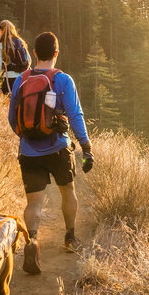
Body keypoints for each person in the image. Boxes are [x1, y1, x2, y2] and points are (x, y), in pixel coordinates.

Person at [8, 31, 93, 274]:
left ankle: (33, 240)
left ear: (34, 53)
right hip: (58, 148)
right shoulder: (63, 80)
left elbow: (13, 119)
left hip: (29, 152)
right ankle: (70, 238)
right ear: (56, 53)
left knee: (33, 201)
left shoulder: (21, 80)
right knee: (68, 191)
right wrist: (86, 147)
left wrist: (28, 135)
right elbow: (75, 115)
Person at [0, 20, 31, 94]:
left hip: (9, 79)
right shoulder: (20, 42)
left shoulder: (0, 45)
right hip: (23, 78)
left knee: (8, 103)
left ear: (0, 31)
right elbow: (29, 60)